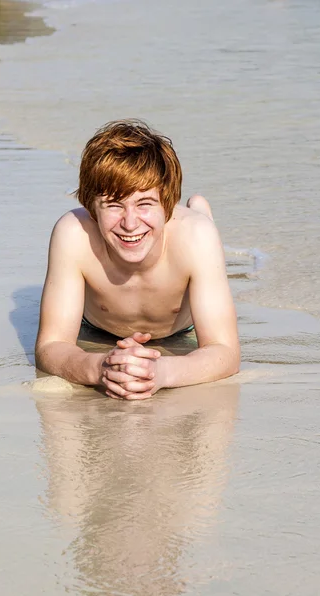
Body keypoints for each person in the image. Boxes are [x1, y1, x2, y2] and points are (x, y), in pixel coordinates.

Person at [35, 119, 240, 400]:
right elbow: (50, 346)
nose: (130, 224)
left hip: (181, 326)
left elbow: (225, 352)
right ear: (90, 206)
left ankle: (200, 211)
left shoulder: (196, 238)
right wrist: (98, 366)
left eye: (145, 204)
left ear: (167, 206)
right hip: (99, 327)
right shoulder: (73, 233)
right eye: (114, 205)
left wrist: (164, 372)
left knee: (202, 229)